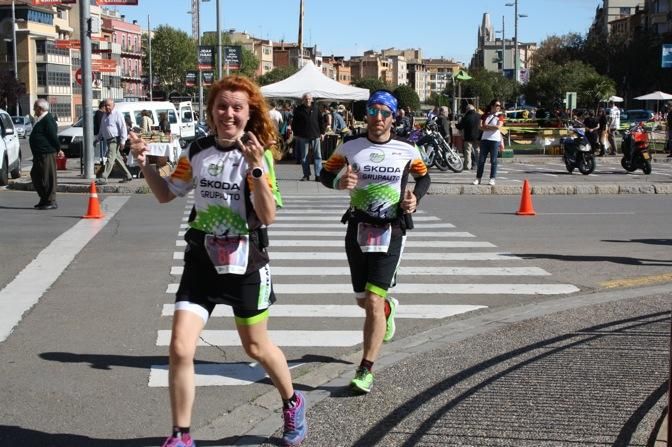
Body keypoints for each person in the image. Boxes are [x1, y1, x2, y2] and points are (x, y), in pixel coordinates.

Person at [128, 75, 307, 447]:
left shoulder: (259, 155)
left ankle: (292, 401)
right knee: (179, 348)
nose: (228, 113)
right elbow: (166, 194)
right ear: (211, 111)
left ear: (249, 113)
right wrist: (144, 164)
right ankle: (181, 435)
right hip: (203, 262)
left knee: (255, 348)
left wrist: (256, 168)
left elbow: (268, 215)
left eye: (237, 107)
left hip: (247, 263)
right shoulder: (196, 151)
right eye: (221, 106)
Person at [318, 90, 431, 394]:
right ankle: (388, 310)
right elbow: (324, 174)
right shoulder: (350, 147)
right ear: (365, 114)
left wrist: (414, 199)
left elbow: (424, 178)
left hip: (391, 229)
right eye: (372, 111)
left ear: (394, 117)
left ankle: (365, 369)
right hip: (357, 228)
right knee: (362, 300)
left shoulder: (407, 149)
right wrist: (338, 182)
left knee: (372, 300)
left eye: (384, 112)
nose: (377, 118)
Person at [28, 98, 63, 210]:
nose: (34, 109)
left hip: (46, 153)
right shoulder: (40, 119)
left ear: (40, 108)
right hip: (39, 154)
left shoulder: (48, 120)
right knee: (36, 175)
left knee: (48, 177)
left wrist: (59, 149)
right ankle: (44, 198)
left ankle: (51, 201)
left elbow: (53, 136)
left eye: (35, 107)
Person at [97, 98, 133, 184]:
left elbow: (123, 127)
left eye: (109, 105)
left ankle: (104, 177)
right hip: (108, 140)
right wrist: (98, 138)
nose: (107, 107)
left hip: (115, 139)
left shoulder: (117, 114)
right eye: (105, 105)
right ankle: (128, 175)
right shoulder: (105, 115)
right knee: (117, 158)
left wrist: (123, 141)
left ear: (113, 106)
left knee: (110, 158)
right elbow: (102, 128)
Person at [292, 93, 324, 181]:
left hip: (315, 134)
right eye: (306, 99)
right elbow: (294, 123)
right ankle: (306, 175)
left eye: (309, 99)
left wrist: (322, 133)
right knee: (304, 157)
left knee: (318, 155)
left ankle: (318, 175)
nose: (308, 100)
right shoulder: (299, 109)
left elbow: (321, 121)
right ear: (303, 100)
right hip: (303, 136)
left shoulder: (316, 108)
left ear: (312, 99)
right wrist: (295, 133)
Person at [473, 99, 504, 186]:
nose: (498, 107)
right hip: (485, 139)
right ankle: (478, 178)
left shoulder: (500, 115)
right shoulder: (485, 115)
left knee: (493, 160)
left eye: (499, 106)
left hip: (495, 140)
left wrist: (487, 126)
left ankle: (492, 178)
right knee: (481, 160)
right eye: (497, 105)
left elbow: (498, 127)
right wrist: (489, 127)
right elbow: (480, 126)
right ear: (492, 106)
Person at [455, 104, 481, 170]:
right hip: (477, 137)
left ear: (467, 110)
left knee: (468, 152)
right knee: (477, 151)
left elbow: (460, 126)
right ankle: (480, 165)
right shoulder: (479, 116)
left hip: (468, 137)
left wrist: (456, 124)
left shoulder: (466, 117)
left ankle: (467, 166)